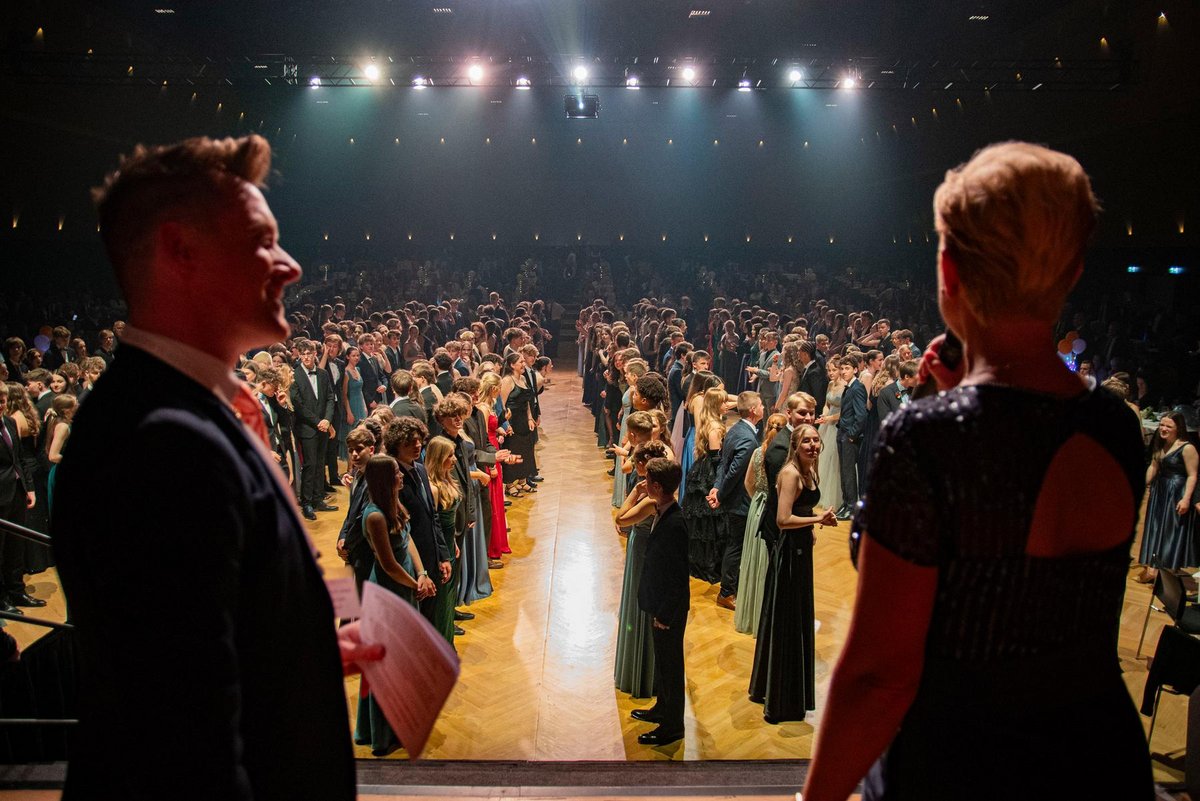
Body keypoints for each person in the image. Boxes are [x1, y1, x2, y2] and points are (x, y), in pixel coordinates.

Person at [803, 142, 1153, 801]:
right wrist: (960, 394)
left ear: (949, 269)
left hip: (961, 768)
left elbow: (879, 676)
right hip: (1101, 764)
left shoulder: (928, 440)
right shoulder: (1116, 425)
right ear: (1074, 272)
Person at [52, 134, 379, 799]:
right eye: (263, 241)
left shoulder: (176, 410)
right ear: (180, 250)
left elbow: (199, 652)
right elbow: (183, 758)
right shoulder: (164, 445)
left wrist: (295, 655)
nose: (290, 266)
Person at [749, 424, 835, 723]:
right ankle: (780, 701)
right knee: (787, 621)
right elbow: (783, 519)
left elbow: (801, 511)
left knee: (798, 618)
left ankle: (790, 694)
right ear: (795, 445)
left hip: (802, 550)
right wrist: (817, 520)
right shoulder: (790, 474)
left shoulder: (810, 471)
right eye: (806, 441)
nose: (813, 445)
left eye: (816, 440)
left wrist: (812, 526)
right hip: (788, 554)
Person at [354, 454, 436, 757]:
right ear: (384, 480)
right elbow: (387, 564)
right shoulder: (374, 516)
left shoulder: (394, 505)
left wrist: (422, 573)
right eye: (395, 474)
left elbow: (408, 539)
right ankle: (383, 733)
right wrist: (415, 585)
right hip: (390, 591)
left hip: (405, 585)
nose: (401, 476)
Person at [632, 457, 689, 746]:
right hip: (661, 604)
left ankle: (672, 726)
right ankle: (662, 708)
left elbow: (678, 577)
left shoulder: (676, 522)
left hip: (670, 610)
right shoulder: (663, 510)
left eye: (647, 480)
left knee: (671, 667)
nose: (643, 483)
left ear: (656, 486)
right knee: (663, 665)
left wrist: (665, 615)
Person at [614, 440, 669, 699]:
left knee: (641, 602)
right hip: (646, 546)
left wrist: (635, 492)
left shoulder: (648, 497)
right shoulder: (663, 490)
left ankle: (641, 672)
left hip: (643, 549)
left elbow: (621, 519)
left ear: (642, 465)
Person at [706, 390, 764, 611]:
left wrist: (717, 487)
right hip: (740, 501)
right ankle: (726, 592)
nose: (763, 408)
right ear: (753, 410)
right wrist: (720, 494)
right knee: (736, 546)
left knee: (733, 544)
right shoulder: (748, 439)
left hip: (732, 498)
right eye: (761, 405)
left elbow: (723, 462)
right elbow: (734, 472)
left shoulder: (735, 429)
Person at [732, 412, 787, 636]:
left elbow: (748, 483)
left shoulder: (757, 452)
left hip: (757, 507)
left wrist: (758, 499)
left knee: (754, 562)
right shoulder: (785, 455)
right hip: (775, 509)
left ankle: (752, 615)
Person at [1136, 411, 1197, 583]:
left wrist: (1186, 499)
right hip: (1160, 491)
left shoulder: (1187, 448)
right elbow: (1153, 467)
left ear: (1178, 428)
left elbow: (1193, 475)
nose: (1163, 429)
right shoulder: (1160, 443)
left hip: (1176, 493)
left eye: (1168, 426)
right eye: (1162, 425)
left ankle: (1164, 570)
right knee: (1156, 528)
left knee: (1170, 530)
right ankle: (1154, 567)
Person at [291, 339, 338, 521]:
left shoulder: (323, 374)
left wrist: (327, 420)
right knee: (310, 465)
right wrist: (319, 421)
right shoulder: (295, 375)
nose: (306, 357)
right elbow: (298, 405)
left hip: (323, 426)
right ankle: (307, 502)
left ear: (314, 354)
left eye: (309, 354)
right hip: (307, 427)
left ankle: (318, 499)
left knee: (320, 463)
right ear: (299, 355)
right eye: (303, 354)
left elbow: (330, 398)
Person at [0, 383, 37, 615]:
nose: (0, 404)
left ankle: (17, 591)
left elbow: (20, 459)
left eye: (2, 400)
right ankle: (1, 600)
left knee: (16, 546)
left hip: (17, 491)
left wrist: (29, 488)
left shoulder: (10, 422)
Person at [834, 353, 866, 520]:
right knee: (844, 471)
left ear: (855, 369)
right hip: (842, 433)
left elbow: (861, 415)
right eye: (842, 368)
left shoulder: (857, 387)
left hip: (849, 436)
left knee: (848, 472)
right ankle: (846, 503)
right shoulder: (849, 387)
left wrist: (852, 435)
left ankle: (852, 507)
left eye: (847, 368)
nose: (843, 371)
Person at [816, 357, 844, 514]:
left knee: (834, 460)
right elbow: (827, 404)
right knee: (822, 458)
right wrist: (824, 415)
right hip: (826, 424)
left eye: (834, 370)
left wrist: (830, 418)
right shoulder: (830, 384)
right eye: (829, 370)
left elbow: (845, 411)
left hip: (837, 425)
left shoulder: (845, 386)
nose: (831, 373)